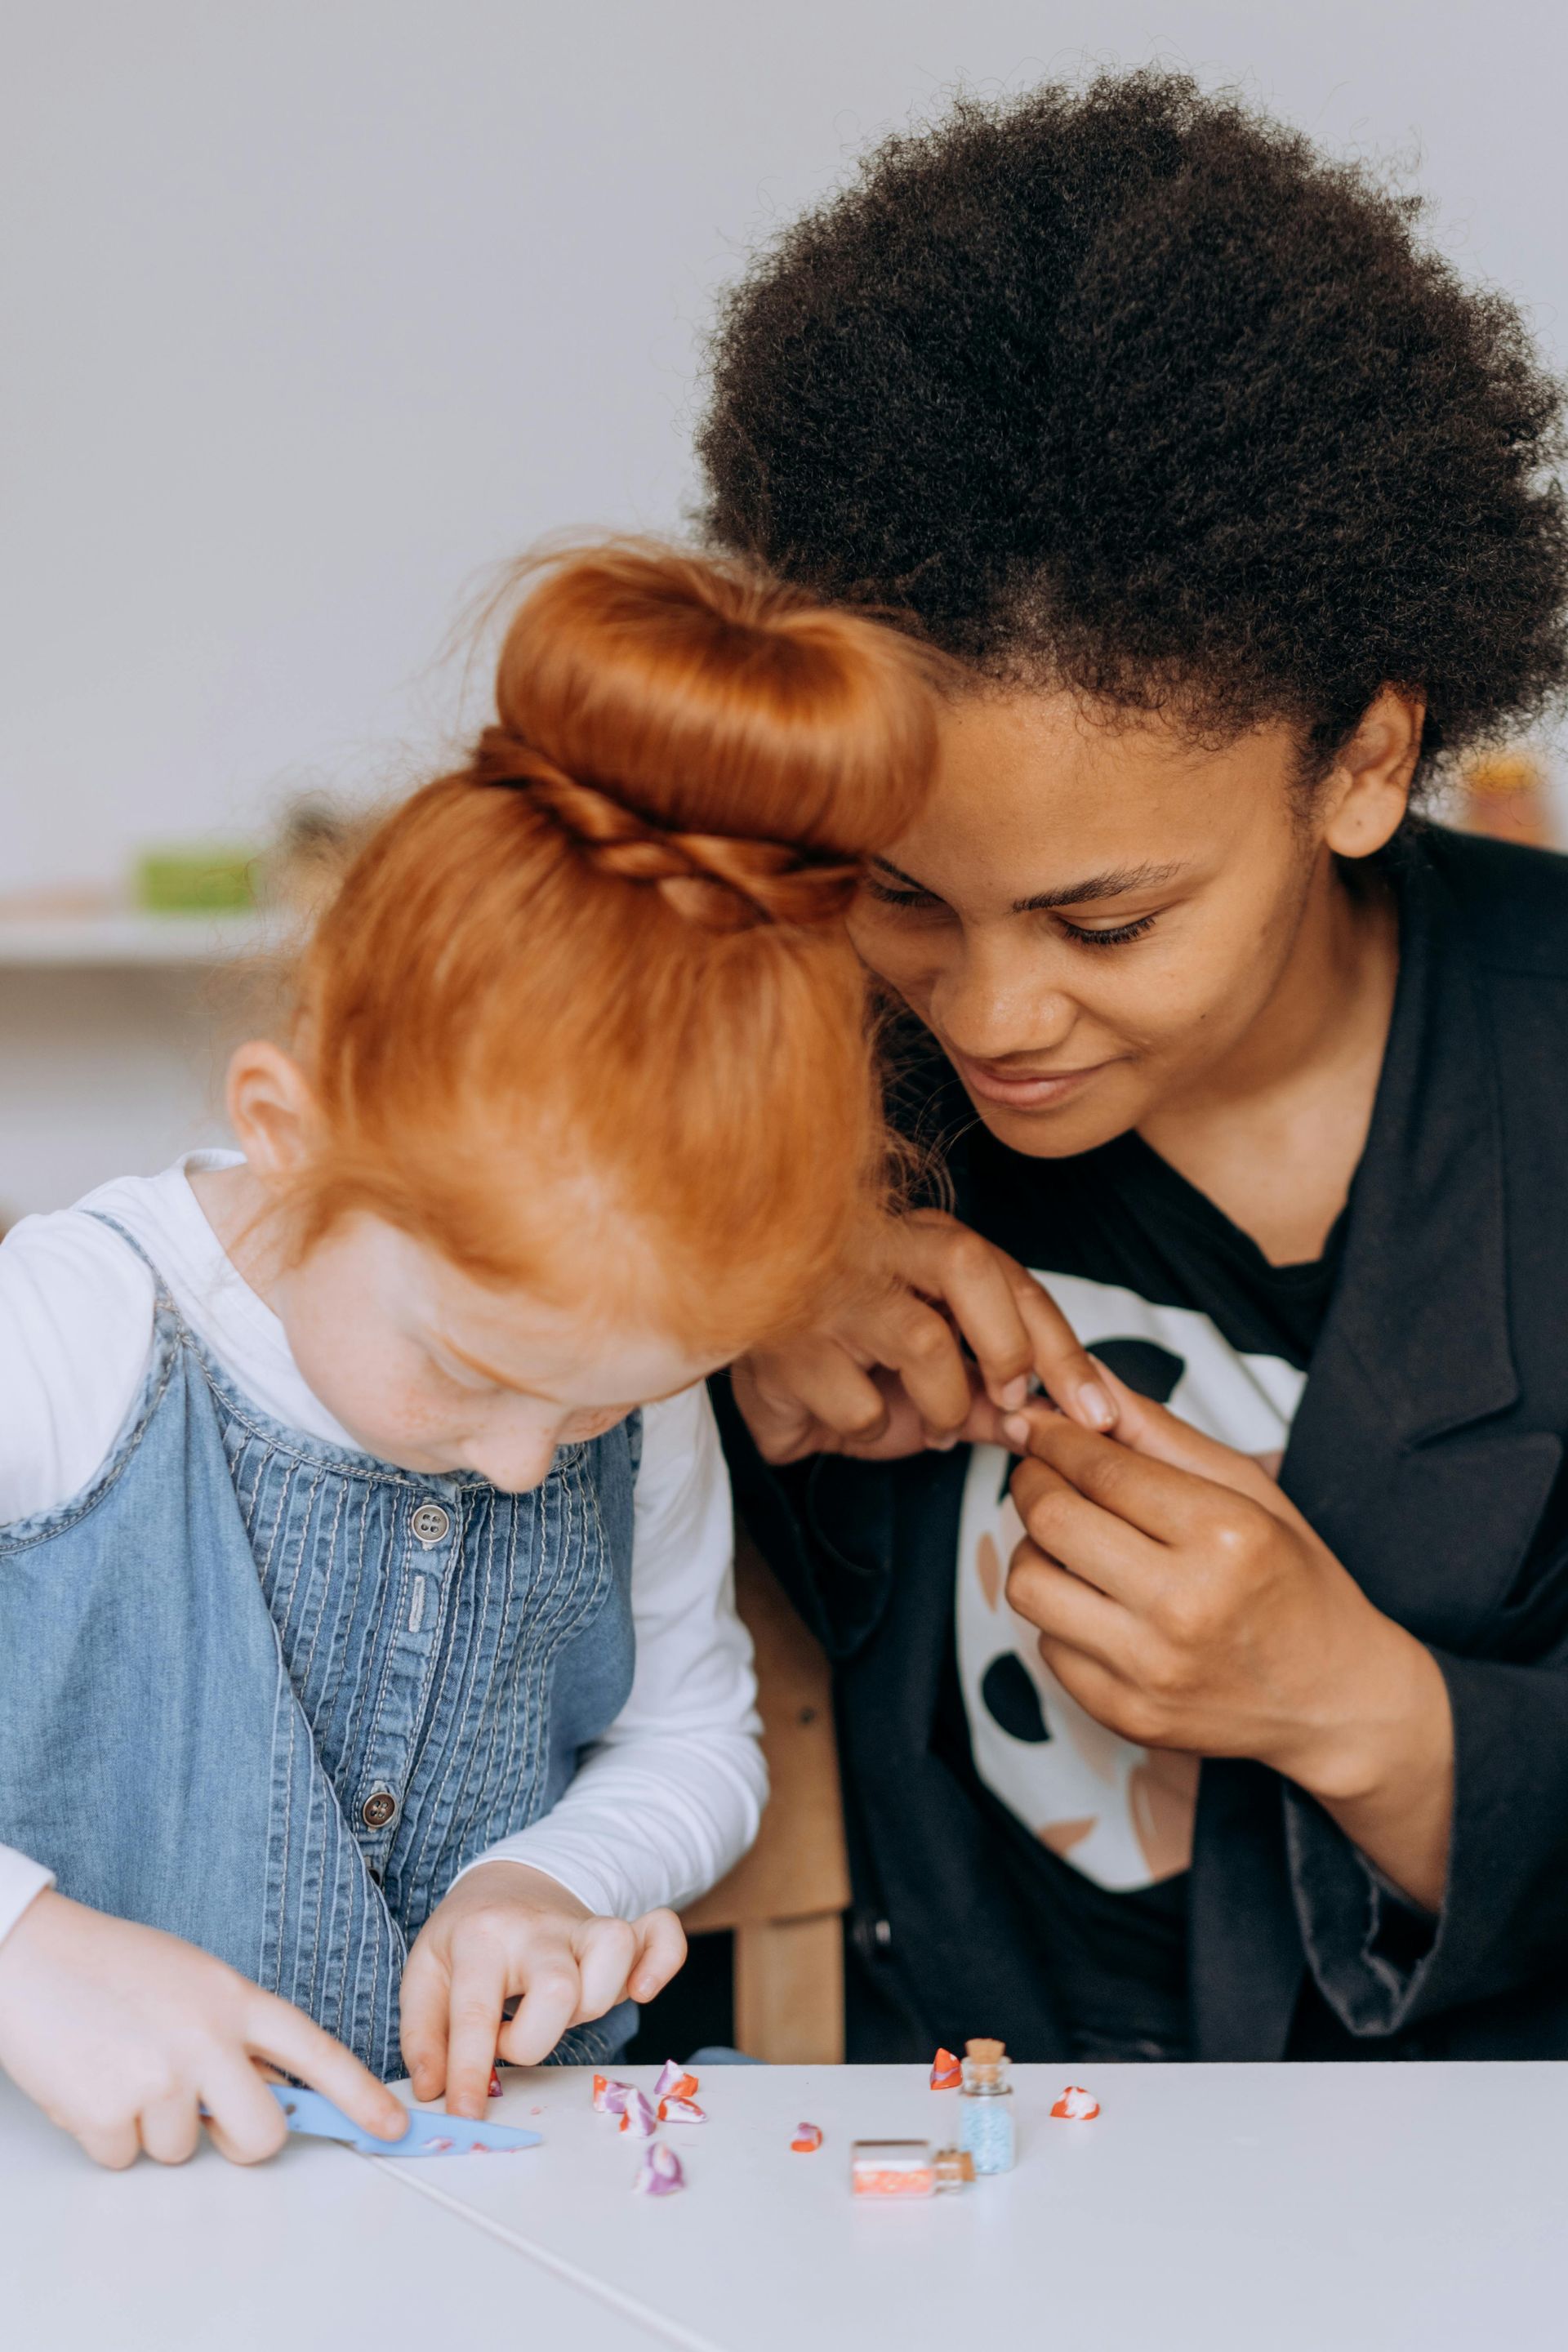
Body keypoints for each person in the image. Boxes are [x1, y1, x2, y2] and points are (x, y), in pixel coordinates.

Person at [699, 70, 1568, 2062]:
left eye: (1107, 925)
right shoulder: (747, 1041)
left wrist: (1357, 1705)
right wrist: (714, 1278)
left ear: (1358, 764)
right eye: (901, 894)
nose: (990, 1018)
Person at [0, 543, 940, 2165]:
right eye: (469, 1369)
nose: (530, 1462)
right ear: (286, 1138)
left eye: (612, 1402)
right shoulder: (78, 1329)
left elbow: (692, 1737)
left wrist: (554, 1881)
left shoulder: (620, 1396)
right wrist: (25, 1952)